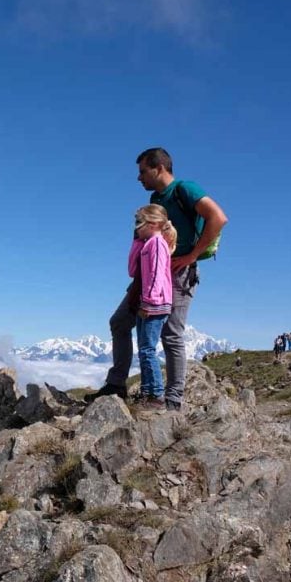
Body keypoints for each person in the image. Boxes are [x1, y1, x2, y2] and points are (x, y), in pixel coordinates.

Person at [88, 148, 229, 410]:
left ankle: (173, 399)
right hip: (149, 273)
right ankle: (117, 385)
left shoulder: (185, 189)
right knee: (120, 322)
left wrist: (191, 256)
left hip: (178, 273)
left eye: (143, 171)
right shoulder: (156, 198)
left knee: (171, 333)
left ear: (159, 168)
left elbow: (218, 218)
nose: (139, 178)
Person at [130, 204, 176, 411]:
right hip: (148, 301)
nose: (137, 227)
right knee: (143, 349)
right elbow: (132, 270)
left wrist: (149, 299)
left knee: (148, 349)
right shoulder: (148, 243)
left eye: (140, 223)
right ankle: (147, 391)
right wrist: (137, 241)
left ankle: (156, 395)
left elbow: (157, 274)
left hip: (154, 303)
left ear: (154, 224)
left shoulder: (157, 244)